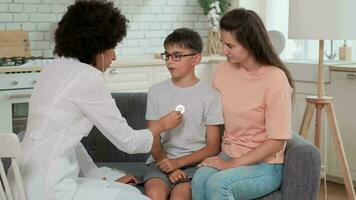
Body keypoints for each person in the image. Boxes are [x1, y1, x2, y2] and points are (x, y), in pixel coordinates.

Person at [7, 1, 182, 200]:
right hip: (50, 188)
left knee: (129, 191)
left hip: (19, 182)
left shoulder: (51, 70)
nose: (114, 56)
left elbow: (70, 142)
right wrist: (161, 125)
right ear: (98, 49)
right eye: (112, 48)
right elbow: (129, 142)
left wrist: (99, 176)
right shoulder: (88, 78)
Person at [191, 8, 295, 200]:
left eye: (230, 46)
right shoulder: (223, 71)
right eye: (223, 43)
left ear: (250, 44)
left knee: (217, 184)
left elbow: (277, 141)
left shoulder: (275, 79)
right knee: (198, 180)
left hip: (265, 165)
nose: (224, 51)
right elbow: (213, 117)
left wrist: (231, 165)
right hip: (227, 153)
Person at [142, 28, 224, 200]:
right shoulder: (156, 92)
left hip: (195, 165)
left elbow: (213, 147)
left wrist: (177, 164)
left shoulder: (211, 96)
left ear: (196, 59)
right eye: (167, 55)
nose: (170, 61)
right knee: (154, 194)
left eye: (177, 55)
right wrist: (168, 166)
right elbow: (153, 138)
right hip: (160, 161)